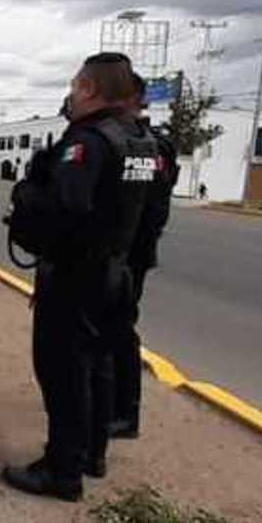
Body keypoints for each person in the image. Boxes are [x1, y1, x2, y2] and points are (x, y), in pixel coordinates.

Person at [1, 52, 158, 501]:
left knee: (63, 372)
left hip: (75, 275)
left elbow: (64, 207)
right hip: (116, 271)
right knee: (99, 367)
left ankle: (61, 471)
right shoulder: (140, 140)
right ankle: (93, 453)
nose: (70, 94)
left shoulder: (87, 141)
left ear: (89, 88)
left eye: (75, 85)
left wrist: (27, 194)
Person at [108, 74, 180, 440]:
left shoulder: (151, 146)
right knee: (104, 331)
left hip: (129, 255)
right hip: (117, 251)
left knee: (118, 330)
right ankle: (105, 404)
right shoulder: (129, 141)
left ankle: (123, 413)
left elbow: (152, 206)